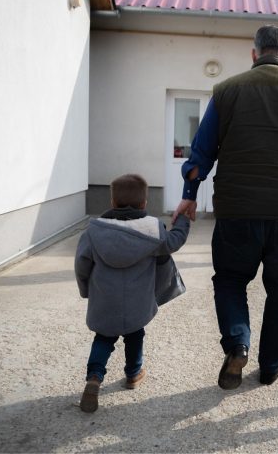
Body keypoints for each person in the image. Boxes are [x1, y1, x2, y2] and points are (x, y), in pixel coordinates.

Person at [173, 25, 278, 390]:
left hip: (237, 210)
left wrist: (189, 192)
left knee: (231, 281)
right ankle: (271, 366)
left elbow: (201, 153)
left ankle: (237, 344)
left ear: (254, 54)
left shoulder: (227, 91)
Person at [75, 173, 190, 412]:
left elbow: (81, 264)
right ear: (144, 204)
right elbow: (174, 241)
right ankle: (133, 374)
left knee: (103, 338)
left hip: (104, 300)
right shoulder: (152, 231)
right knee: (135, 334)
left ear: (113, 203)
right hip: (138, 302)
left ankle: (94, 377)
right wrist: (182, 220)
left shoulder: (94, 232)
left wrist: (86, 290)